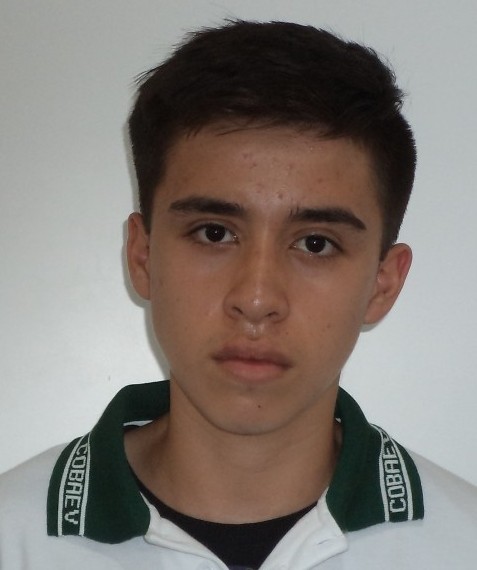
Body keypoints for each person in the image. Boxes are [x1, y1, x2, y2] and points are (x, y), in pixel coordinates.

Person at [0, 19, 476, 570]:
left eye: (316, 243)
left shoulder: (462, 546)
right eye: (214, 233)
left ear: (383, 283)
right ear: (143, 256)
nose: (255, 299)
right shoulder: (13, 540)